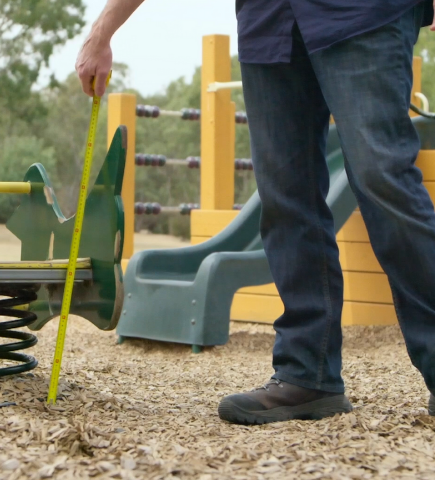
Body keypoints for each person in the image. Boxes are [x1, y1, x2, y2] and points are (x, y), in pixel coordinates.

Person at [76, 0, 435, 425]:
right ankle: (307, 373)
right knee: (285, 194)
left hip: (363, 13)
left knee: (382, 178)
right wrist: (102, 30)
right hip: (270, 22)